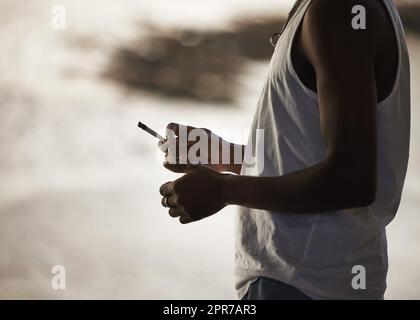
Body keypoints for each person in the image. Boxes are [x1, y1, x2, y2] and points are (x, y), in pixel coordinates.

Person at [158, 0, 410, 300]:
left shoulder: (339, 10)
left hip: (302, 285)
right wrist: (227, 157)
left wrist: (224, 190)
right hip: (307, 282)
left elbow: (352, 181)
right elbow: (313, 157)